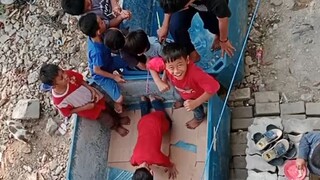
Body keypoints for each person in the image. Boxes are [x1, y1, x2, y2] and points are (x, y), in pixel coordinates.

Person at [39, 64, 130, 137]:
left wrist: (91, 89)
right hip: (89, 110)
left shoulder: (69, 75)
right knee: (107, 119)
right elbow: (67, 112)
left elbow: (80, 80)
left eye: (62, 72)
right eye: (61, 78)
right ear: (54, 85)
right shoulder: (59, 100)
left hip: (94, 97)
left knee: (108, 108)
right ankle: (116, 127)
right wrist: (85, 107)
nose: (65, 75)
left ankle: (119, 119)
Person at [147, 42, 220, 129]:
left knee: (196, 109)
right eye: (171, 67)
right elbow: (150, 65)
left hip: (195, 96)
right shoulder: (165, 62)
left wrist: (195, 103)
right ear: (165, 65)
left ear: (187, 60)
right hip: (181, 89)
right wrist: (160, 82)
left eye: (180, 65)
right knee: (179, 95)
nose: (176, 71)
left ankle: (199, 118)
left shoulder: (195, 74)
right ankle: (181, 101)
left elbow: (214, 87)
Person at [79, 13, 129, 113]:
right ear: (98, 31)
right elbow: (97, 70)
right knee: (120, 99)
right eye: (101, 22)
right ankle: (116, 103)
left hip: (108, 61)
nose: (104, 22)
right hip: (101, 75)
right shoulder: (96, 52)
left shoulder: (98, 35)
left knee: (128, 61)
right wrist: (114, 77)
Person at [158, 0, 235, 62]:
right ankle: (191, 52)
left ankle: (217, 34)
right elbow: (169, 4)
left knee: (213, 25)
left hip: (208, 5)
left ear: (185, 7)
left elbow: (223, 19)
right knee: (175, 27)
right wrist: (165, 26)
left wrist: (223, 40)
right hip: (189, 3)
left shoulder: (217, 2)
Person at [131, 95, 178, 180]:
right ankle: (143, 101)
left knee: (169, 124)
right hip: (141, 123)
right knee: (145, 120)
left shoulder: (157, 159)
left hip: (156, 120)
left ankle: (155, 101)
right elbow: (132, 161)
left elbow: (167, 162)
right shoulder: (134, 160)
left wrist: (171, 166)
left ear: (152, 172)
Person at [61, 0, 131, 28]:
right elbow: (109, 23)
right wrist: (121, 17)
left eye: (88, 4)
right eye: (86, 10)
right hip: (119, 20)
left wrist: (114, 5)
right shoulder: (89, 19)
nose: (90, 7)